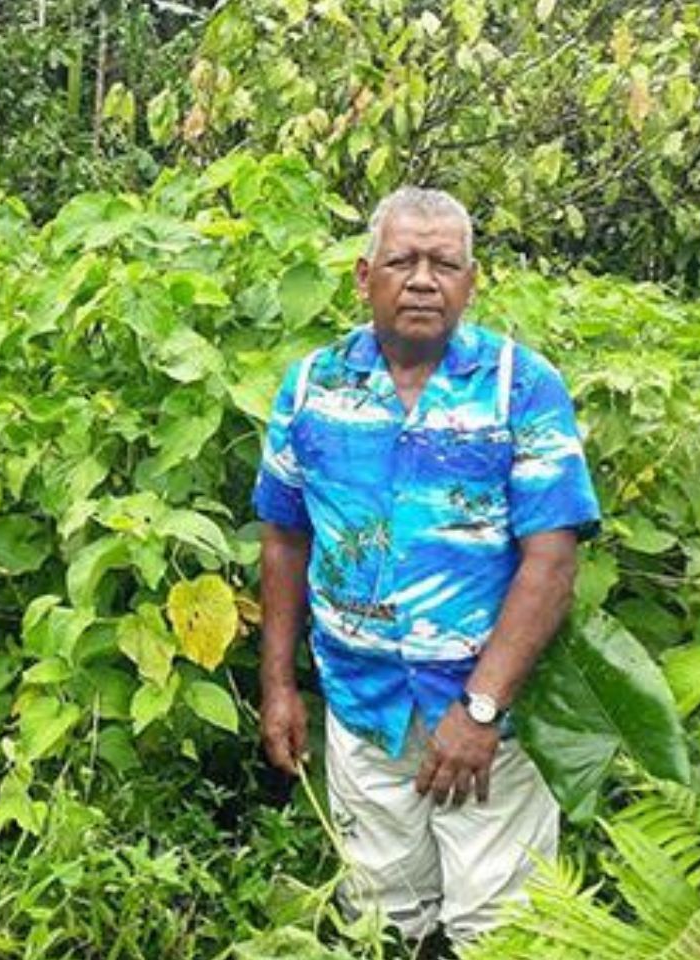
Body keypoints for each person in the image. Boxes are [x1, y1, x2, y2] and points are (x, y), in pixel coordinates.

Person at [252, 187, 600, 950]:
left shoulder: (520, 387)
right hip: (362, 703)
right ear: (363, 276)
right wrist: (278, 685)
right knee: (380, 918)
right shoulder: (312, 387)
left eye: (444, 264)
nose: (421, 280)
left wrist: (481, 709)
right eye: (402, 261)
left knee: (501, 931)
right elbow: (284, 537)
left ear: (470, 284)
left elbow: (552, 561)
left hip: (490, 716)